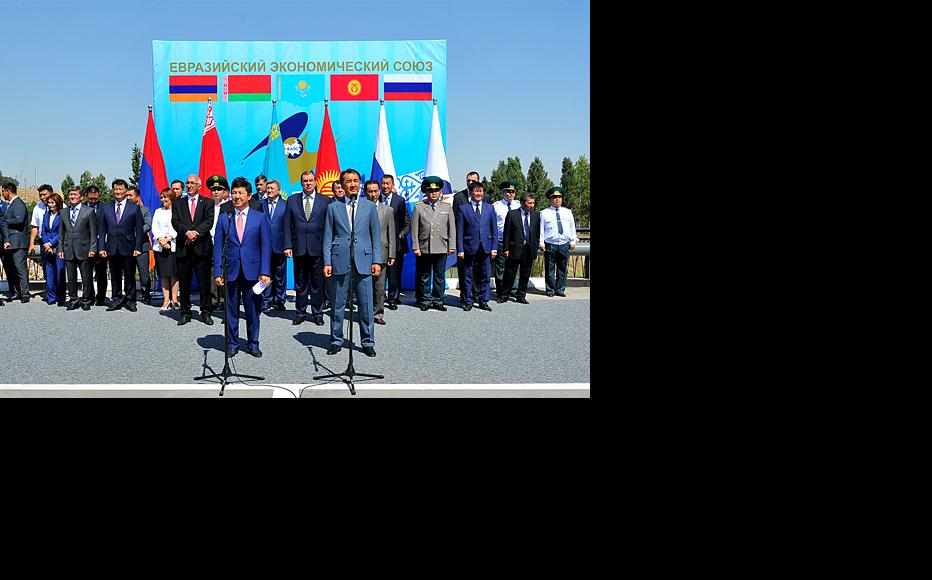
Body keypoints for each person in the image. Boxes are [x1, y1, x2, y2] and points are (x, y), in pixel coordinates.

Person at [322, 169, 382, 356]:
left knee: (365, 305)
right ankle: (336, 340)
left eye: (356, 180)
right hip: (340, 261)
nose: (353, 184)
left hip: (364, 261)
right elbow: (327, 237)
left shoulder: (369, 207)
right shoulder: (333, 208)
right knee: (338, 304)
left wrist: (376, 260)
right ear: (342, 185)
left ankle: (367, 341)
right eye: (349, 181)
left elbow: (375, 236)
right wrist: (327, 262)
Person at [213, 177, 272, 358]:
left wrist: (265, 272)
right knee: (231, 310)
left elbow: (266, 246)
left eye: (241, 193)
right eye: (234, 193)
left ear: (249, 195)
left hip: (253, 272)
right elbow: (217, 247)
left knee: (252, 309)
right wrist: (217, 271)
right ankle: (232, 342)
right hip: (230, 271)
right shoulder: (225, 219)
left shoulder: (260, 218)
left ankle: (253, 343)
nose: (237, 196)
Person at [283, 169, 331, 326]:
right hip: (299, 248)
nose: (308, 183)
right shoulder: (292, 200)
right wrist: (288, 245)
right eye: (305, 181)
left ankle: (317, 313)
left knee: (318, 283)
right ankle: (300, 312)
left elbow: (329, 226)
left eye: (311, 180)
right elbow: (287, 225)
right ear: (301, 183)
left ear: (316, 182)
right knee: (301, 282)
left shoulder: (325, 201)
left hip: (318, 248)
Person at [172, 173, 215, 325]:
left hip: (202, 248)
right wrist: (187, 233)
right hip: (184, 247)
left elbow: (209, 221)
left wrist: (195, 233)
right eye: (187, 183)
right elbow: (175, 222)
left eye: (192, 183)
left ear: (199, 186)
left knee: (204, 282)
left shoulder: (208, 202)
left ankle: (206, 312)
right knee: (184, 282)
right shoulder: (178, 203)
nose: (189, 185)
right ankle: (185, 312)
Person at [410, 175, 456, 311]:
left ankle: (438, 300)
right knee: (425, 276)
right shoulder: (419, 208)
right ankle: (425, 300)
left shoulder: (446, 207)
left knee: (439, 276)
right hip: (425, 247)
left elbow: (451, 228)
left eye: (436, 191)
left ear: (441, 192)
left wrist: (452, 246)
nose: (434, 193)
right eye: (431, 191)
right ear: (426, 192)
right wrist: (415, 247)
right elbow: (414, 230)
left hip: (441, 246)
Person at [98, 178, 144, 312]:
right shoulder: (106, 208)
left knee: (129, 275)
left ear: (126, 190)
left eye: (121, 189)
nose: (118, 191)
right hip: (111, 247)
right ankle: (116, 299)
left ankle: (130, 300)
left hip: (129, 246)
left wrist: (138, 247)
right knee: (115, 275)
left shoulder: (134, 208)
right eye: (116, 189)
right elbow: (102, 230)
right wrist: (101, 247)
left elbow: (139, 230)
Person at [455, 181, 497, 311]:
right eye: (476, 191)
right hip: (469, 248)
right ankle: (468, 300)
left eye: (481, 191)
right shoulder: (463, 208)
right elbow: (460, 231)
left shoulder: (490, 208)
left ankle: (484, 300)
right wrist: (460, 249)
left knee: (485, 276)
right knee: (468, 275)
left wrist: (494, 248)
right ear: (471, 192)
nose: (479, 194)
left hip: (486, 247)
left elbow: (494, 230)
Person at [58, 186, 97, 311]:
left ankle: (86, 300)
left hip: (84, 249)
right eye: (70, 195)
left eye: (75, 194)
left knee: (86, 277)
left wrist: (93, 248)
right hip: (68, 249)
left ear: (81, 197)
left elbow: (93, 232)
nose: (72, 197)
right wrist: (60, 249)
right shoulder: (63, 212)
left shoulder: (89, 211)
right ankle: (73, 299)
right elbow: (61, 233)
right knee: (71, 277)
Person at [364, 180, 395, 324]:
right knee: (364, 287)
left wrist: (391, 254)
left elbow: (391, 234)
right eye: (370, 191)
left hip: (382, 253)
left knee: (379, 287)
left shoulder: (387, 210)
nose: (373, 194)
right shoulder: (359, 209)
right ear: (365, 193)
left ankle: (378, 314)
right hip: (363, 254)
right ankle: (365, 313)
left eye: (375, 191)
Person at [501, 193, 541, 304]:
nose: (532, 205)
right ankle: (504, 294)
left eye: (533, 203)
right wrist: (506, 249)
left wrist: (535, 245)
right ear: (523, 203)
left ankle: (521, 295)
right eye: (529, 203)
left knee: (525, 274)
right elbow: (507, 234)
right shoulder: (512, 214)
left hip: (529, 249)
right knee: (510, 273)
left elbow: (537, 232)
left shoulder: (536, 215)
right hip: (515, 249)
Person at [539, 186, 579, 297]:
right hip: (550, 244)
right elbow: (541, 229)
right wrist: (541, 243)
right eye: (554, 197)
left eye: (559, 197)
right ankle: (550, 290)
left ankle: (560, 289)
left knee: (562, 268)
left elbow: (572, 228)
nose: (557, 199)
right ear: (550, 199)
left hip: (564, 244)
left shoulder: (568, 212)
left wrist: (573, 240)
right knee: (549, 268)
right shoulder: (544, 213)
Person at [380, 174, 409, 309]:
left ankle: (393, 298)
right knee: (380, 274)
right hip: (379, 244)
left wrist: (399, 236)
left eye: (387, 183)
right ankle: (379, 299)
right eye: (383, 183)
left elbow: (407, 223)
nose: (385, 186)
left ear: (392, 185)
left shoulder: (399, 201)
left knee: (394, 274)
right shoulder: (375, 199)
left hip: (396, 245)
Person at [452, 171, 480, 304]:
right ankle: (465, 295)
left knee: (478, 270)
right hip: (463, 241)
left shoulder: (485, 196)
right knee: (464, 270)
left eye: (474, 181)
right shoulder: (458, 197)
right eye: (469, 181)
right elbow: (455, 219)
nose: (471, 183)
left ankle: (476, 294)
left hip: (479, 242)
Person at [493, 179, 521, 301]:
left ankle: (512, 289)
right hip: (500, 240)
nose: (510, 194)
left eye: (513, 192)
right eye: (508, 192)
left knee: (513, 266)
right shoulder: (496, 206)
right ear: (503, 192)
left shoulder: (519, 205)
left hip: (514, 242)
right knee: (501, 267)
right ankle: (501, 290)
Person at [261, 179, 288, 312]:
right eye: (268, 188)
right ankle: (266, 300)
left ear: (278, 190)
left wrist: (288, 245)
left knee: (280, 275)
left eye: (272, 188)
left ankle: (280, 300)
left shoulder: (286, 204)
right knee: (265, 273)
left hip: (280, 245)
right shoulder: (261, 204)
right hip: (264, 246)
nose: (269, 190)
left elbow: (289, 226)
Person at [152, 187, 180, 310]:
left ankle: (174, 299)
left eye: (165, 197)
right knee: (163, 274)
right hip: (160, 246)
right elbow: (154, 228)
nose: (163, 199)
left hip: (174, 245)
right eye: (161, 197)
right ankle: (166, 299)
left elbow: (179, 227)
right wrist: (161, 240)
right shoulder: (158, 211)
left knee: (174, 274)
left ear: (171, 198)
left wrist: (169, 239)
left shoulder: (177, 211)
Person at [1, 182, 29, 302]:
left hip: (18, 242)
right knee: (13, 268)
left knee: (20, 268)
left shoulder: (18, 204)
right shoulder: (11, 204)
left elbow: (19, 220)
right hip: (11, 242)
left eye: (3, 192)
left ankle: (25, 294)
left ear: (8, 191)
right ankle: (17, 292)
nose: (2, 195)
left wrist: (3, 221)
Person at [125, 186, 153, 304]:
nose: (128, 198)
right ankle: (130, 295)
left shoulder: (144, 210)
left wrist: (135, 232)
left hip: (142, 245)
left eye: (130, 195)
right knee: (128, 272)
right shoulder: (123, 210)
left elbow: (148, 224)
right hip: (127, 246)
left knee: (143, 273)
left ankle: (146, 294)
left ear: (137, 197)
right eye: (127, 195)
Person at [39, 193, 66, 306]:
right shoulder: (46, 216)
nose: (50, 205)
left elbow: (62, 232)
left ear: (58, 203)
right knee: (49, 274)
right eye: (49, 203)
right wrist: (46, 244)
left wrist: (51, 243)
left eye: (52, 202)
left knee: (60, 273)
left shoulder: (63, 215)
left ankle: (61, 297)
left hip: (59, 247)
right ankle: (51, 297)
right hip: (47, 248)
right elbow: (44, 231)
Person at [84, 185, 109, 306]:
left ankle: (101, 297)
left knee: (101, 273)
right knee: (87, 273)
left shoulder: (105, 208)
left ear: (99, 195)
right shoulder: (82, 208)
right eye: (91, 199)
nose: (93, 201)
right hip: (85, 246)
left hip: (101, 246)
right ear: (86, 196)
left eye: (95, 198)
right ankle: (89, 296)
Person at [28, 184, 53, 256]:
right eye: (40, 195)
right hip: (43, 241)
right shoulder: (37, 207)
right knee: (46, 265)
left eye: (44, 194)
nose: (42, 197)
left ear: (51, 194)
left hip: (57, 241)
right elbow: (35, 227)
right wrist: (32, 243)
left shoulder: (62, 206)